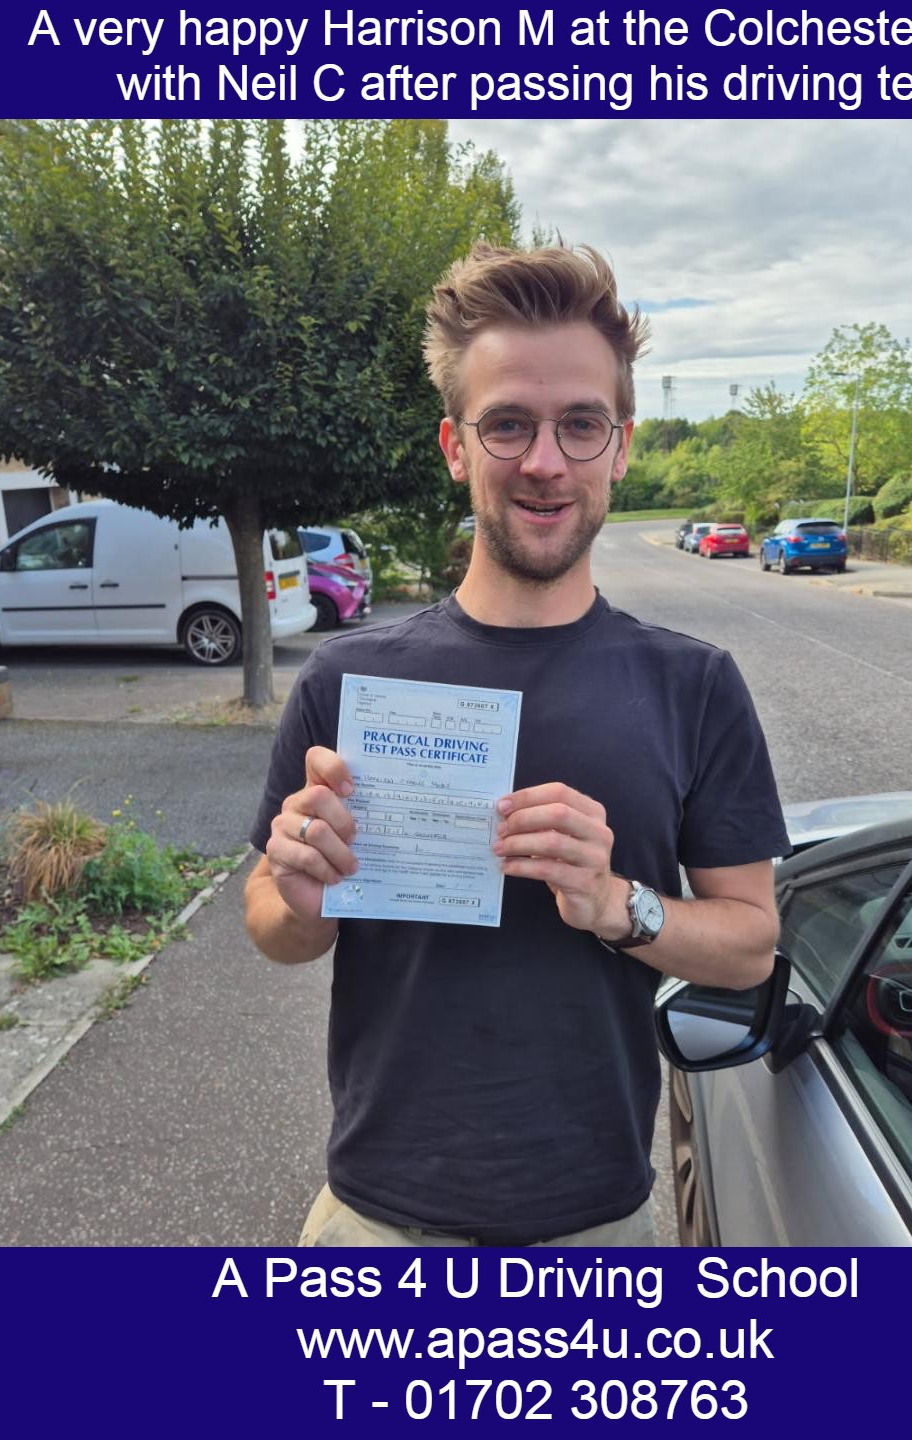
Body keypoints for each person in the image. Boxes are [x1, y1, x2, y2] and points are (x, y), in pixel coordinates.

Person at [244, 242, 790, 1247]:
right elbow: (275, 925)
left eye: (580, 424)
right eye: (508, 424)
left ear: (620, 446)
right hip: (374, 1222)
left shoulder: (694, 685)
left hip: (596, 1226)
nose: (545, 461)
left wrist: (618, 905)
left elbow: (752, 946)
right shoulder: (346, 682)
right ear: (457, 447)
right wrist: (300, 894)